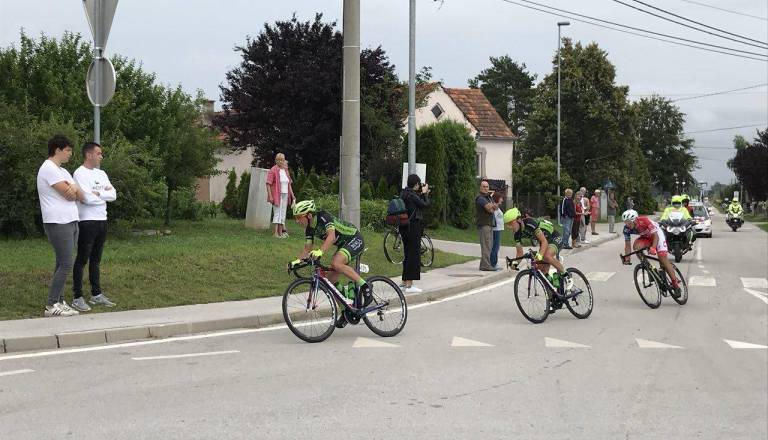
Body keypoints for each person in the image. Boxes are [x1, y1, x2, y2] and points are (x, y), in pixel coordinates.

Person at [288, 200, 369, 328]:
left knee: (336, 263)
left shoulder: (323, 217)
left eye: (299, 217)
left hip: (354, 238)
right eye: (296, 218)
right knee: (330, 280)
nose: (297, 221)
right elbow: (307, 248)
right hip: (344, 244)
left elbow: (331, 236)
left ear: (309, 215)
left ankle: (366, 287)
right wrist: (296, 262)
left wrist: (320, 251)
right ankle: (347, 309)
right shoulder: (309, 229)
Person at [37, 135, 85, 317]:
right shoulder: (48, 168)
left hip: (71, 220)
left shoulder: (63, 171)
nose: (70, 154)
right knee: (66, 263)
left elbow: (81, 196)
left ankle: (60, 300)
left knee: (61, 262)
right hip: (57, 221)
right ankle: (51, 305)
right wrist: (72, 189)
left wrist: (74, 189)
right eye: (68, 150)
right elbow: (69, 194)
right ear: (57, 150)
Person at [71, 142, 117, 311]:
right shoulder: (79, 173)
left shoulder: (101, 173)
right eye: (99, 153)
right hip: (87, 221)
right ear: (89, 155)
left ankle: (96, 294)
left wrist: (98, 194)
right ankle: (77, 296)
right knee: (82, 259)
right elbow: (86, 198)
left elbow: (113, 194)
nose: (101, 156)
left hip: (102, 220)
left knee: (96, 260)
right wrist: (101, 196)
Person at [503, 207, 573, 292]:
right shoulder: (516, 234)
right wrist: (515, 264)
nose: (509, 227)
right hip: (544, 241)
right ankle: (554, 283)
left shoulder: (530, 223)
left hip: (554, 238)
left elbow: (544, 242)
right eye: (507, 224)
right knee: (540, 269)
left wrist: (540, 255)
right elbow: (519, 253)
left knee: (546, 256)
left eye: (511, 223)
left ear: (519, 220)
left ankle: (567, 275)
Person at [621, 209, 681, 298]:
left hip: (657, 235)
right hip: (646, 237)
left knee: (662, 258)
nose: (627, 225)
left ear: (635, 220)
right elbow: (627, 245)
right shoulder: (626, 229)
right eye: (625, 223)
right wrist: (627, 258)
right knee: (637, 248)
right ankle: (648, 268)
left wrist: (653, 248)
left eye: (629, 222)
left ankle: (675, 285)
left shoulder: (644, 220)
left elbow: (655, 236)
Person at [400, 174, 430, 293]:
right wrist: (425, 193)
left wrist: (421, 194)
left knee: (407, 254)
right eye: (418, 184)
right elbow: (425, 205)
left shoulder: (404, 193)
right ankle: (409, 284)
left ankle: (404, 281)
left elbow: (416, 204)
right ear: (416, 184)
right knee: (414, 255)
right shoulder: (412, 195)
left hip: (404, 227)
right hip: (413, 227)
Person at [266, 153, 294, 238]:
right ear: (276, 160)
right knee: (277, 213)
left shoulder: (285, 170)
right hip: (277, 194)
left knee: (283, 213)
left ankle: (281, 233)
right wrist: (270, 196)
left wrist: (292, 195)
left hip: (285, 194)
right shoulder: (273, 170)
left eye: (282, 160)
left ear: (284, 160)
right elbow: (268, 184)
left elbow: (289, 183)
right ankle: (275, 233)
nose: (280, 161)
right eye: (278, 160)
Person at [475, 180, 499, 271]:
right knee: (486, 245)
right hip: (484, 224)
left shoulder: (488, 197)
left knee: (489, 245)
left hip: (489, 224)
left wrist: (492, 206)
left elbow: (494, 208)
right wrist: (492, 206)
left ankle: (484, 265)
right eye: (484, 186)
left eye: (487, 187)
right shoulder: (480, 198)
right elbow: (489, 208)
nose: (485, 188)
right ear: (480, 187)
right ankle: (485, 265)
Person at [490, 192, 505, 269]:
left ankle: (494, 263)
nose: (502, 200)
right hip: (495, 229)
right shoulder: (495, 207)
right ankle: (493, 263)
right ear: (497, 198)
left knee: (496, 246)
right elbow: (494, 217)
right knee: (495, 247)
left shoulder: (497, 207)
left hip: (498, 229)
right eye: (501, 198)